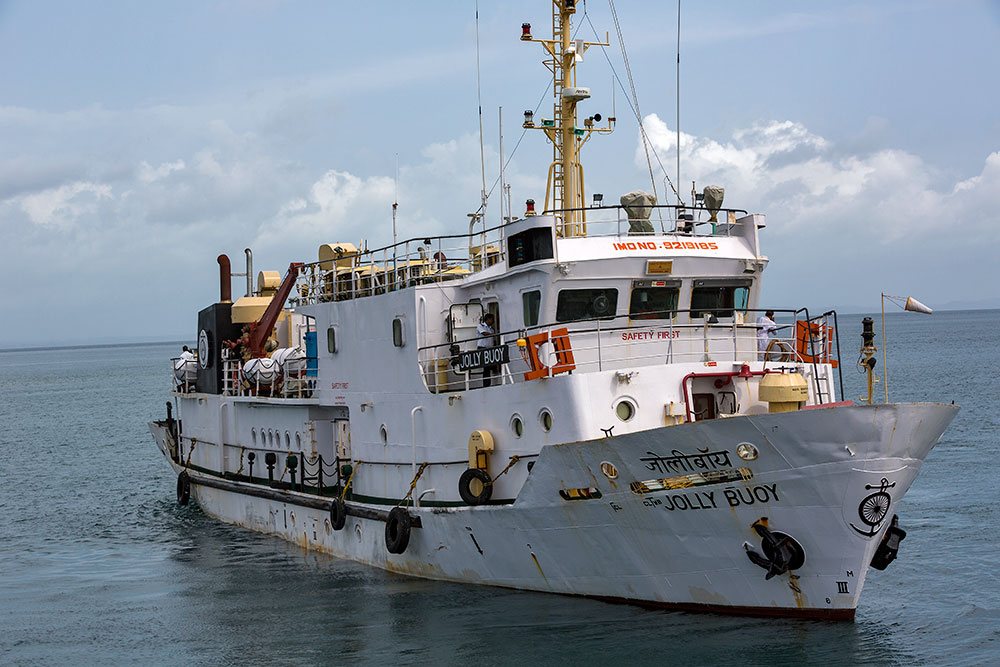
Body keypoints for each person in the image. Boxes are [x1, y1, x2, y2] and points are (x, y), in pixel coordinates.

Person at [478, 313, 497, 387]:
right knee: (486, 367)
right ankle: (486, 384)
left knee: (489, 366)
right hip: (482, 348)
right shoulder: (480, 326)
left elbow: (493, 340)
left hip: (489, 348)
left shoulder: (491, 329)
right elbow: (484, 333)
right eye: (492, 319)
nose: (493, 321)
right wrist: (493, 334)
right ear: (488, 319)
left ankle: (489, 382)